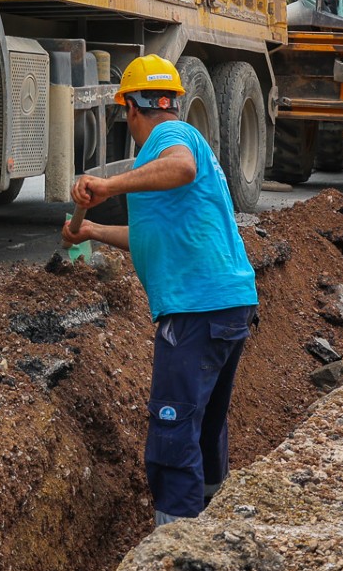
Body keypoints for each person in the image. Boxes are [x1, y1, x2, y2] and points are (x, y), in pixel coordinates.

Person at [63, 55, 258, 526]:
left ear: (131, 108)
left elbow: (183, 167)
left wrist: (107, 185)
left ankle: (173, 550)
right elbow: (152, 235)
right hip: (228, 304)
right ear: (170, 99)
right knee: (206, 423)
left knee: (173, 431)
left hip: (196, 309)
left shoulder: (171, 139)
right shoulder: (171, 148)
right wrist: (91, 231)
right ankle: (211, 520)